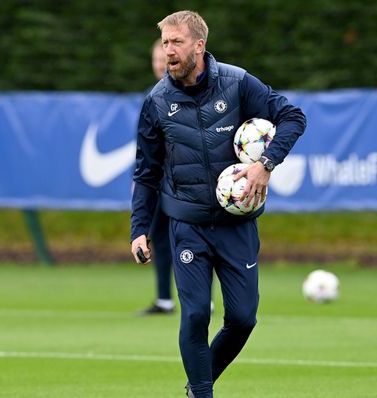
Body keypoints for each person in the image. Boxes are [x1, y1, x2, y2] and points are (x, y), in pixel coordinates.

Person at [130, 10, 306, 398]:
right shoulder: (156, 103)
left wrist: (265, 164)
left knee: (242, 319)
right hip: (186, 224)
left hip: (236, 223)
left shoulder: (238, 83)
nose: (168, 51)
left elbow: (293, 117)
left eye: (176, 43)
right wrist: (139, 229)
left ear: (199, 45)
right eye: (165, 44)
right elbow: (145, 173)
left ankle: (197, 385)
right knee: (194, 315)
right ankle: (202, 393)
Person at [137, 38, 175, 315]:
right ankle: (164, 299)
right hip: (157, 183)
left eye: (164, 58)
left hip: (184, 182)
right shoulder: (152, 97)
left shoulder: (189, 94)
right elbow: (145, 151)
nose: (161, 64)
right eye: (157, 60)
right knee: (158, 238)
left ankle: (204, 301)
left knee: (196, 239)